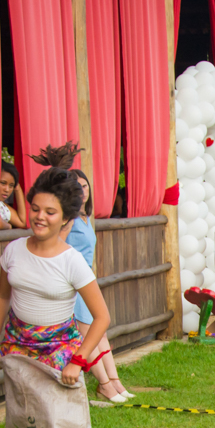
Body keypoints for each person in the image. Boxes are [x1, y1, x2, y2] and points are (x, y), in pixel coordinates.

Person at [0, 165, 112, 428]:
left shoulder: (71, 261)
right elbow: (1, 297)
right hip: (18, 349)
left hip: (59, 353)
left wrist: (77, 360)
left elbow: (101, 317)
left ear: (65, 219)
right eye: (36, 209)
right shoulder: (12, 251)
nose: (40, 217)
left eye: (50, 212)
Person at [63, 165, 130, 403]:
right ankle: (104, 385)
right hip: (74, 283)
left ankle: (115, 381)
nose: (82, 191)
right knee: (87, 335)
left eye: (85, 186)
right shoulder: (68, 219)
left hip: (88, 281)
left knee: (100, 334)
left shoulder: (85, 217)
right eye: (77, 187)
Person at [0, 160, 26, 230]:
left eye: (11, 186)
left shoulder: (2, 205)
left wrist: (18, 189)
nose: (7, 190)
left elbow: (22, 222)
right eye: (3, 183)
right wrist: (8, 226)